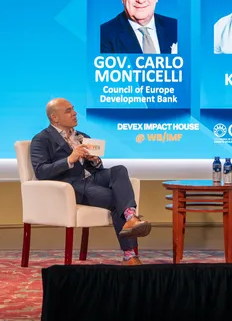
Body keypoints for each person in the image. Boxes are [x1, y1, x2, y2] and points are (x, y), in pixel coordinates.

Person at [30, 97, 151, 265]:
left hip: (92, 179)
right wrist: (70, 159)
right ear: (54, 118)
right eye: (68, 111)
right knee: (118, 200)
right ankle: (129, 255)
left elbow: (96, 169)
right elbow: (41, 171)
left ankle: (131, 217)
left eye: (73, 109)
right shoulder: (41, 139)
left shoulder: (82, 137)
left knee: (119, 169)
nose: (74, 113)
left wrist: (94, 160)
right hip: (71, 186)